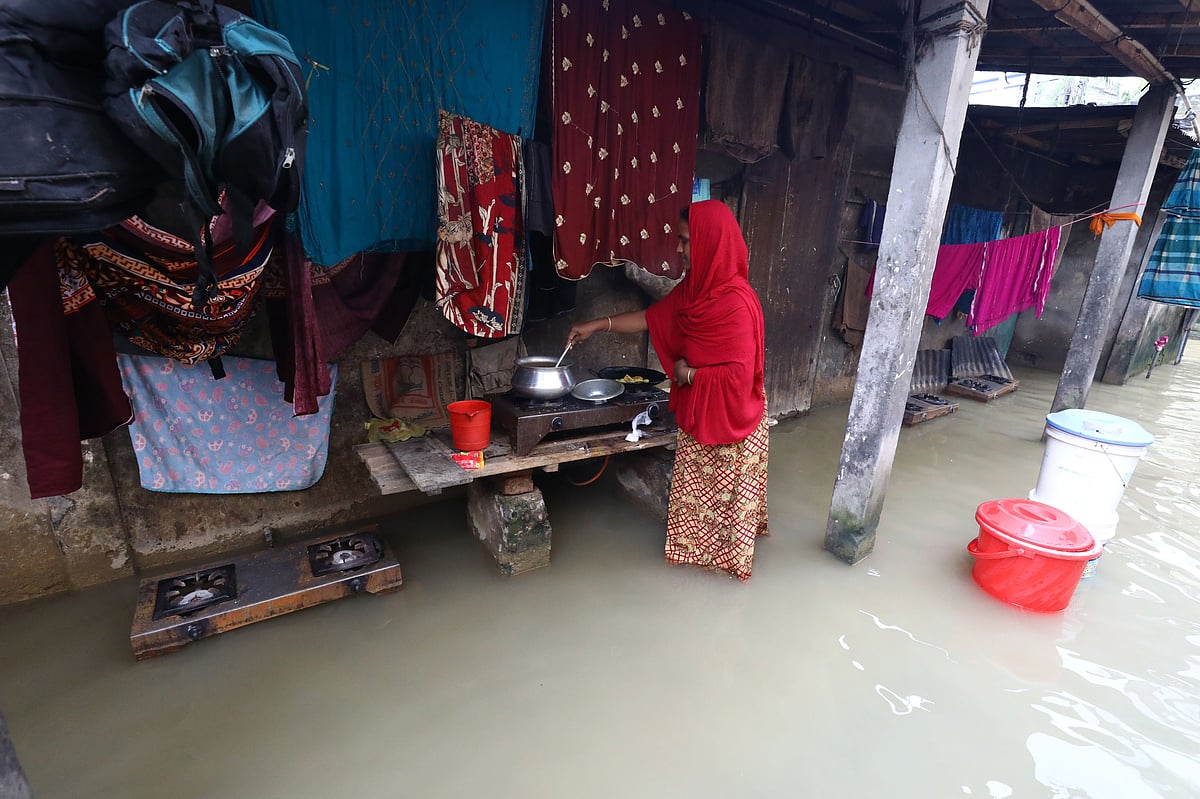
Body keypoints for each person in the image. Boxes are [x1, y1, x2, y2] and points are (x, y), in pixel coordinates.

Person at [566, 199, 768, 580]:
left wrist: (686, 374)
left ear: (710, 243)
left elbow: (737, 379)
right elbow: (653, 317)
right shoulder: (696, 289)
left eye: (685, 240)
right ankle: (691, 574)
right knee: (697, 514)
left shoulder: (736, 303)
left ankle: (725, 586)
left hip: (732, 423)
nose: (679, 249)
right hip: (701, 412)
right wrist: (597, 324)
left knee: (725, 521)